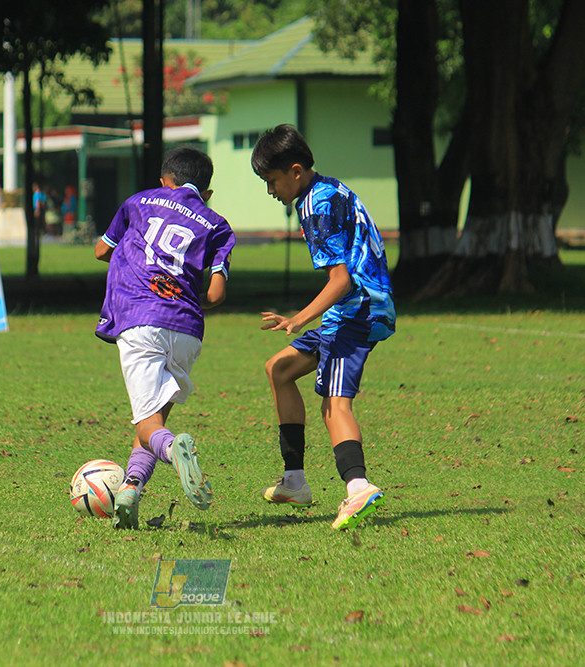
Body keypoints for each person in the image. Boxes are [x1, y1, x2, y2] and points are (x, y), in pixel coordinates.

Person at [250, 124, 396, 531]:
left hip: (357, 310)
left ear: (295, 172)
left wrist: (299, 318)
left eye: (272, 181)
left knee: (335, 402)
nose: (270, 191)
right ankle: (295, 481)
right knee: (279, 369)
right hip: (351, 308)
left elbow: (341, 280)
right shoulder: (324, 190)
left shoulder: (316, 205)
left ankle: (358, 486)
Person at [94, 146, 236, 530]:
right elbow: (217, 295)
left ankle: (176, 452)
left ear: (163, 181)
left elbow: (100, 250)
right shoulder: (216, 223)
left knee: (149, 426)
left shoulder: (140, 201)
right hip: (188, 328)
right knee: (154, 421)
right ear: (206, 193)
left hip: (141, 317)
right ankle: (130, 490)